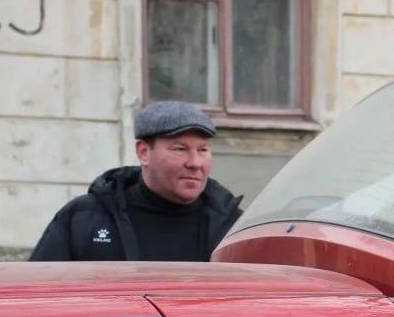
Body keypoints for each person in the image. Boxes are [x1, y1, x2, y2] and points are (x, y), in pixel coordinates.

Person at [29, 101, 242, 262]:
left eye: (203, 150)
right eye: (180, 149)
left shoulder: (234, 228)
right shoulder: (83, 219)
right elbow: (37, 299)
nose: (195, 163)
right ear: (143, 152)